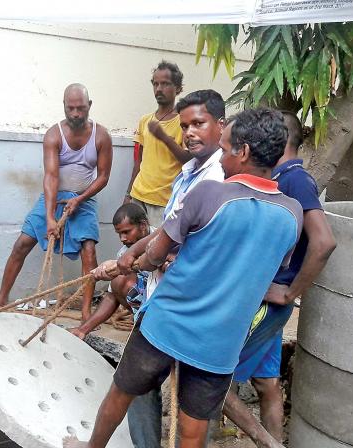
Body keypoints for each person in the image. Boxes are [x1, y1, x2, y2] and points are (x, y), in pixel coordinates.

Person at [64, 108, 303, 448]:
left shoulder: (209, 195)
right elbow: (267, 266)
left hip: (168, 324)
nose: (221, 157)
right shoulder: (292, 213)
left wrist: (134, 261)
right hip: (221, 343)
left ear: (244, 152)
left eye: (225, 147)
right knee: (192, 429)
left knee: (122, 392)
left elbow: (157, 254)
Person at [93, 89, 228, 448]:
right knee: (140, 387)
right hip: (162, 296)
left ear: (221, 126)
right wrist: (130, 259)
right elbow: (169, 230)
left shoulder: (218, 178)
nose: (190, 132)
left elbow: (195, 245)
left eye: (198, 123)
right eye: (184, 125)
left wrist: (141, 258)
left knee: (189, 403)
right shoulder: (189, 172)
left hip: (187, 302)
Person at [222, 112, 336, 448]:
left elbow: (324, 241)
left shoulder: (294, 180)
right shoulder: (282, 178)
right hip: (267, 304)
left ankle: (268, 443)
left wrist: (290, 292)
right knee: (266, 383)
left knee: (213, 380)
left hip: (266, 305)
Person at [0, 84, 113, 322]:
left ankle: (85, 312)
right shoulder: (53, 135)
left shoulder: (101, 136)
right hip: (53, 196)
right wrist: (51, 216)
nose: (75, 114)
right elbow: (51, 176)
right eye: (70, 108)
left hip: (85, 199)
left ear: (89, 106)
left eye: (80, 108)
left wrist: (79, 199)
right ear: (63, 106)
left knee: (90, 252)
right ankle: (1, 298)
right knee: (22, 243)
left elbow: (103, 177)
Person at [69, 203, 153, 340]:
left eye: (126, 232)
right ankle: (144, 325)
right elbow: (111, 296)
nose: (122, 238)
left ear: (143, 226)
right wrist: (83, 330)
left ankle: (151, 329)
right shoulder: (124, 253)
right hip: (149, 303)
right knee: (118, 282)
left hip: (169, 302)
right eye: (119, 234)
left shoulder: (162, 240)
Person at [126, 61, 190, 227]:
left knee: (157, 250)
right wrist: (128, 194)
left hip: (164, 200)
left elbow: (188, 160)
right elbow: (137, 162)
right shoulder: (145, 121)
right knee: (133, 247)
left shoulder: (183, 122)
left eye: (165, 84)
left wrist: (164, 137)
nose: (159, 89)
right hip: (138, 195)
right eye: (155, 84)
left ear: (178, 88)